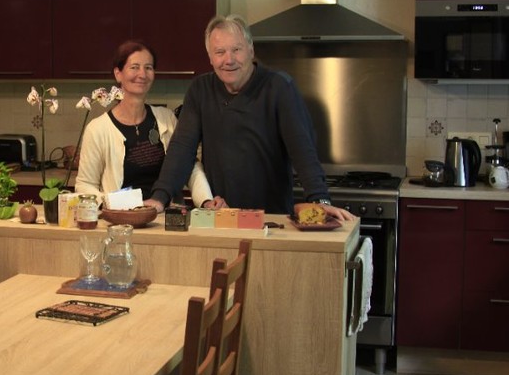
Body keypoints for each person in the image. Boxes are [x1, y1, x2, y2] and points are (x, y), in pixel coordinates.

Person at [144, 15, 354, 222]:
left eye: (236, 49)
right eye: (220, 52)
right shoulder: (200, 90)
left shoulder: (279, 87)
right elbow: (182, 148)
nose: (229, 60)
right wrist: (160, 197)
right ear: (210, 57)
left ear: (251, 50)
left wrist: (320, 200)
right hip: (222, 218)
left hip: (272, 219)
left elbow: (302, 149)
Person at [75, 39, 221, 208]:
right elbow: (85, 185)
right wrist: (112, 205)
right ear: (118, 74)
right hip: (122, 221)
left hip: (167, 220)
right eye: (134, 67)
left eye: (148, 67)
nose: (142, 74)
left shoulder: (166, 119)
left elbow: (188, 165)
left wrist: (206, 200)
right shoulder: (98, 129)